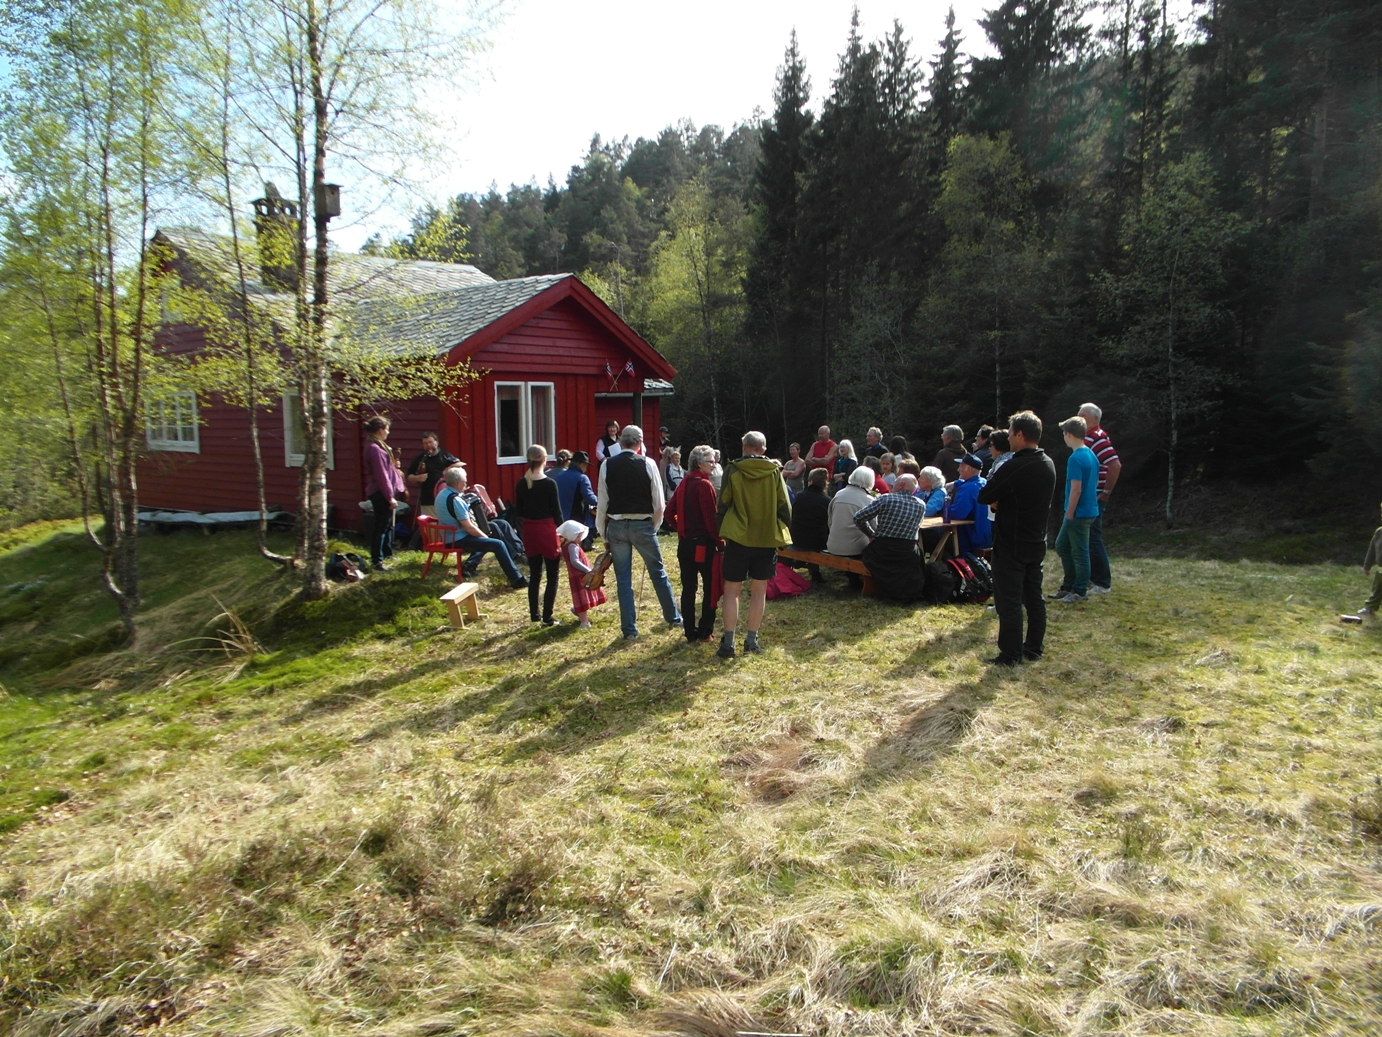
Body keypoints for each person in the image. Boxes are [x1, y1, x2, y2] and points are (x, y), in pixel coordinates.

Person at [977, 410, 1056, 666]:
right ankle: (1033, 647)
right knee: (1034, 597)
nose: (1008, 438)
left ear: (1020, 435)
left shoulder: (1014, 466)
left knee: (1009, 600)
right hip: (1037, 539)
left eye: (1010, 433)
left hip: (1011, 542)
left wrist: (1001, 502)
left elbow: (985, 495)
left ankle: (1010, 654)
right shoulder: (1048, 463)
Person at [595, 424, 682, 640]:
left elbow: (602, 503)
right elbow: (659, 503)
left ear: (621, 441)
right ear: (640, 442)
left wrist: (603, 533)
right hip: (642, 525)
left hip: (616, 526)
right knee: (658, 573)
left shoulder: (606, 465)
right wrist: (654, 526)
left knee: (623, 579)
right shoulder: (648, 463)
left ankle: (629, 630)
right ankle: (673, 617)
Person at [716, 430, 792, 658]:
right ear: (763, 449)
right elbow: (785, 506)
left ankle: (728, 643)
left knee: (732, 592)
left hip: (738, 537)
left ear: (744, 447)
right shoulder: (774, 472)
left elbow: (723, 503)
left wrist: (720, 530)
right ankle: (751, 640)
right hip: (766, 537)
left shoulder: (733, 469)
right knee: (759, 592)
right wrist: (783, 530)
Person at [434, 467, 528, 587]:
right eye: (465, 482)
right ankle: (517, 580)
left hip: (451, 534)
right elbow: (469, 528)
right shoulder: (456, 500)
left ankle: (517, 554)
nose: (466, 484)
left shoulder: (442, 494)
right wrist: (486, 537)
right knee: (498, 544)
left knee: (499, 524)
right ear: (458, 483)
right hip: (457, 539)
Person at [665, 444, 721, 643]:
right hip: (703, 545)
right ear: (699, 463)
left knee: (688, 589)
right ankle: (705, 632)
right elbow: (711, 520)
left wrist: (681, 528)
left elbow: (668, 513)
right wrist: (720, 542)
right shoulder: (704, 485)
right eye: (710, 461)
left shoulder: (684, 483)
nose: (714, 464)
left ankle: (690, 632)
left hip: (685, 544)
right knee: (710, 588)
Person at [852, 474, 927, 601]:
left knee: (866, 553)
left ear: (901, 485)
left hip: (883, 550)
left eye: (895, 482)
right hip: (906, 552)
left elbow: (858, 517)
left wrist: (870, 534)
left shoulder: (886, 499)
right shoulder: (921, 505)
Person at [1051, 416, 1099, 604]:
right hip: (1086, 510)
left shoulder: (1076, 458)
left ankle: (1079, 591)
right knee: (1062, 545)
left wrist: (1070, 513)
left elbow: (1076, 489)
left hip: (1079, 513)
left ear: (1069, 434)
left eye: (1064, 433)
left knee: (1080, 552)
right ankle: (1069, 585)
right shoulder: (1091, 455)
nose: (1063, 436)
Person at [514, 445, 564, 625]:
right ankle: (548, 617)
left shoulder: (522, 483)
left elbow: (519, 511)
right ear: (544, 460)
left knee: (535, 575)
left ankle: (534, 615)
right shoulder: (550, 484)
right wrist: (564, 532)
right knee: (552, 575)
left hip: (529, 530)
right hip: (547, 530)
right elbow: (557, 512)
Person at [1079, 403, 1122, 596]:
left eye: (1083, 416)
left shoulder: (1097, 438)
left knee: (1093, 537)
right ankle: (1092, 578)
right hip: (1088, 494)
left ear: (1095, 419)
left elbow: (1115, 465)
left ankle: (1102, 583)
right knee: (1087, 537)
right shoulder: (1088, 438)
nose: (1079, 419)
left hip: (1095, 494)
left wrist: (1105, 492)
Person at [363, 416, 405, 572]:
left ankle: (387, 553)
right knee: (381, 527)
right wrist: (390, 497)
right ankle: (377, 561)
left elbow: (386, 469)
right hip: (380, 492)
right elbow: (382, 476)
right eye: (387, 429)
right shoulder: (375, 449)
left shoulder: (377, 446)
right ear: (380, 430)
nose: (388, 432)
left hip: (383, 491)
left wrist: (393, 465)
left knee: (387, 526)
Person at [828, 466, 876, 590]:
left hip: (833, 544)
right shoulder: (869, 500)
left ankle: (853, 579)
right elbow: (875, 528)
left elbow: (830, 521)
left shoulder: (839, 494)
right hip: (855, 549)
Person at [557, 518, 606, 628]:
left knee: (582, 596)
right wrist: (587, 570)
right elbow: (575, 561)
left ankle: (577, 610)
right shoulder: (572, 546)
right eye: (578, 536)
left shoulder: (566, 545)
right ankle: (584, 622)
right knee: (582, 597)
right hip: (579, 575)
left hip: (577, 575)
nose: (580, 538)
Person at [1341, 504, 1382, 623]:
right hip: (1381, 569)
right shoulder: (1379, 532)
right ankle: (1370, 609)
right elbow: (1372, 550)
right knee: (1376, 591)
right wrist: (1367, 566)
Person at [790, 467, 831, 584]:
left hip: (796, 538)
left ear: (810, 481)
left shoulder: (799, 496)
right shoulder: (827, 500)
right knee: (818, 532)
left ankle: (800, 562)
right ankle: (815, 573)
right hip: (818, 541)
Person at [405, 432, 459, 519]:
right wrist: (417, 478)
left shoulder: (446, 457)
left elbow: (457, 473)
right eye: (425, 443)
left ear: (436, 442)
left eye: (430, 442)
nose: (428, 445)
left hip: (445, 498)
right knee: (431, 525)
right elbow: (409, 476)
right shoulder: (420, 459)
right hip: (428, 500)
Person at [948, 453, 993, 554]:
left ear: (968, 469)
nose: (958, 469)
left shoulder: (967, 488)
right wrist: (955, 483)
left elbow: (958, 514)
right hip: (987, 537)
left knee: (937, 540)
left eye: (961, 466)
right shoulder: (984, 482)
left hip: (971, 540)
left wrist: (943, 507)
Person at [552, 449, 599, 534]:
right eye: (586, 466)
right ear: (582, 464)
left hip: (559, 519)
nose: (586, 469)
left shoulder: (559, 476)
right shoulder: (582, 478)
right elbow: (589, 498)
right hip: (575, 520)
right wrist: (602, 502)